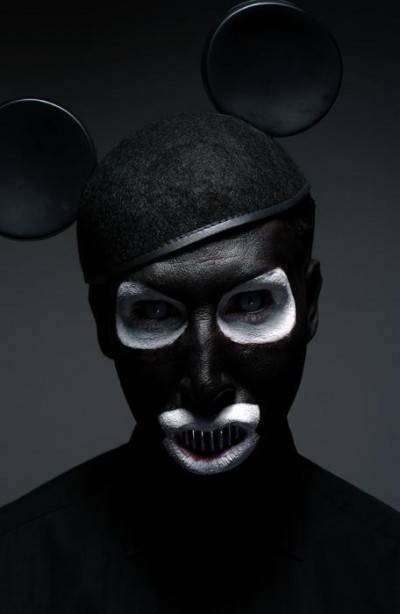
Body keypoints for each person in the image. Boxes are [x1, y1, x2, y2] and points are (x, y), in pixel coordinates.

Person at [0, 112, 399, 613]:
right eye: (154, 312)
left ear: (310, 303)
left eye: (251, 303)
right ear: (104, 324)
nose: (206, 384)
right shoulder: (14, 574)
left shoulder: (386, 576)